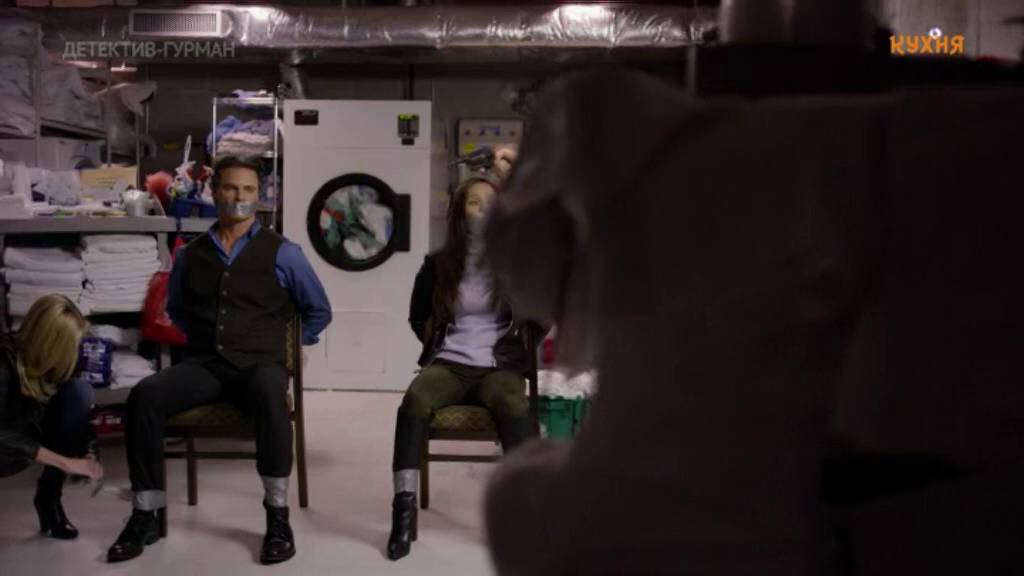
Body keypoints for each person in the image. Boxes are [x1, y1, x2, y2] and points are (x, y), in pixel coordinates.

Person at [106, 156, 332, 565]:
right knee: (145, 396)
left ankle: (277, 516)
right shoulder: (190, 255)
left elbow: (318, 311)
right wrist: (205, 342)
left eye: (248, 189)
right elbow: (176, 309)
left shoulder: (284, 253)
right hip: (206, 365)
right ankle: (146, 514)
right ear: (214, 193)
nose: (239, 197)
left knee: (270, 392)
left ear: (259, 196)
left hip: (260, 364)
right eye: (230, 188)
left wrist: (288, 349)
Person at [386, 165, 540, 561]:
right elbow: (417, 316)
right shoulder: (437, 264)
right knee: (415, 400)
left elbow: (540, 317)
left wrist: (516, 350)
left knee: (514, 404)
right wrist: (437, 345)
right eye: (475, 203)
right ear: (460, 212)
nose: (483, 211)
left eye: (491, 204)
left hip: (497, 366)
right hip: (450, 364)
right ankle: (403, 511)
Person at [0, 294, 103, 540]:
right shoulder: (4, 363)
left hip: (32, 431)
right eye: (70, 345)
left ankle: (49, 498)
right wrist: (66, 463)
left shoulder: (63, 360)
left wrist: (89, 452)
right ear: (50, 343)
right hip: (7, 444)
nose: (74, 352)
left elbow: (79, 413)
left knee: (79, 392)